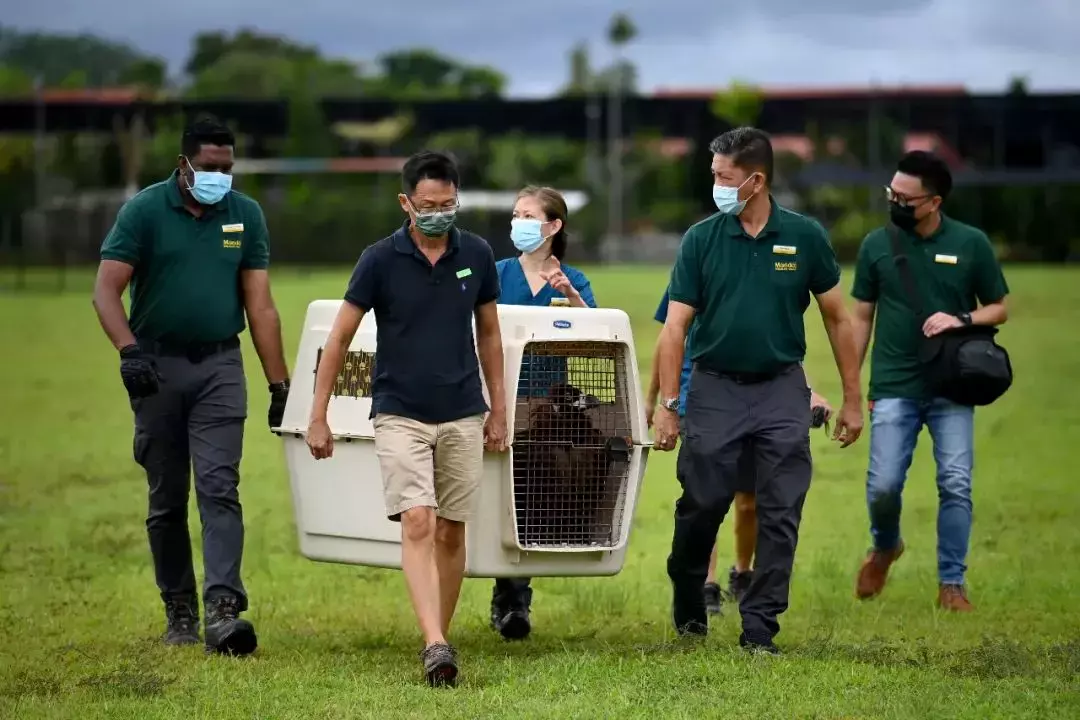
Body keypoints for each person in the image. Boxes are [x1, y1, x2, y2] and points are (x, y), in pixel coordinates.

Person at [652, 126, 864, 654]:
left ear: (756, 179)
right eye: (715, 176)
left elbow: (838, 319)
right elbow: (674, 327)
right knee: (701, 504)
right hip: (715, 387)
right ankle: (687, 592)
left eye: (725, 177)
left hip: (780, 388)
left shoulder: (805, 235)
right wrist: (667, 406)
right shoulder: (700, 239)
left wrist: (854, 399)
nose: (717, 186)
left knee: (781, 509)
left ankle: (760, 627)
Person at [305, 150, 508, 688]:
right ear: (406, 203)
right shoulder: (379, 259)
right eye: (427, 204)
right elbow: (340, 338)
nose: (439, 213)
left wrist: (498, 411)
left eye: (448, 204)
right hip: (399, 412)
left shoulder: (479, 254)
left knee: (451, 529)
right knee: (418, 519)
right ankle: (435, 643)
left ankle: (438, 631)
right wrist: (318, 414)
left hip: (463, 410)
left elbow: (489, 334)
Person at [92, 117, 291, 656]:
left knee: (220, 487)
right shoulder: (145, 211)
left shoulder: (245, 214)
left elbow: (261, 306)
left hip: (220, 367)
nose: (219, 177)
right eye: (208, 168)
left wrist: (280, 385)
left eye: (227, 168)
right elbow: (106, 291)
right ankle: (178, 605)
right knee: (166, 496)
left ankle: (223, 610)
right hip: (156, 365)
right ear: (184, 164)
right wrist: (129, 352)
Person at [849, 151, 1009, 612]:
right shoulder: (876, 246)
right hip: (894, 384)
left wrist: (959, 318)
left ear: (934, 201)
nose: (895, 202)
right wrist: (853, 389)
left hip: (952, 385)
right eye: (891, 193)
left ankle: (951, 584)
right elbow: (861, 318)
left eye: (905, 197)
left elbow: (998, 307)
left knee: (956, 483)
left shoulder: (971, 243)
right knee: (883, 485)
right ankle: (885, 545)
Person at [646, 289, 834, 615]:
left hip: (752, 401)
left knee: (749, 502)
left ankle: (743, 573)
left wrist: (807, 391)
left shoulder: (757, 275)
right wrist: (655, 399)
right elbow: (668, 336)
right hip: (697, 397)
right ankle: (706, 584)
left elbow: (779, 346)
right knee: (706, 498)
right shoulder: (694, 269)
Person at [487, 185, 597, 641]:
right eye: (516, 214)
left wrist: (570, 295)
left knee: (531, 496)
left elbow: (599, 336)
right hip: (496, 400)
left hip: (547, 411)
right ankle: (497, 587)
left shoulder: (573, 279)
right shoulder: (494, 274)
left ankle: (514, 598)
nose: (519, 223)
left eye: (529, 215)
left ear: (553, 226)